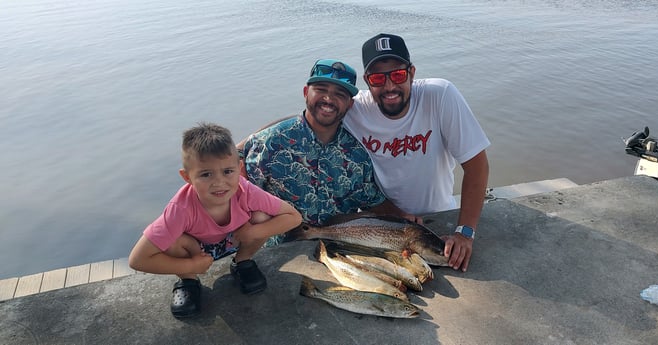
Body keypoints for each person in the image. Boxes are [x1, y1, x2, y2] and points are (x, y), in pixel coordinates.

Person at [344, 33, 491, 272]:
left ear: (412, 73)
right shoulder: (353, 109)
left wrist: (464, 232)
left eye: (398, 75)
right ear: (367, 81)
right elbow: (311, 120)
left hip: (437, 218)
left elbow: (477, 166)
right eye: (378, 78)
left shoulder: (441, 95)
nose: (389, 87)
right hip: (379, 226)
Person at [128, 122, 302, 318]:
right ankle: (189, 281)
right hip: (196, 250)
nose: (219, 182)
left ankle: (243, 261)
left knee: (262, 217)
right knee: (171, 240)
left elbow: (293, 217)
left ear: (239, 167)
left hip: (236, 239)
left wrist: (253, 232)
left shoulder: (245, 191)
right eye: (206, 174)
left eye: (228, 171)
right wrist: (191, 266)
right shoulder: (180, 208)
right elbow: (137, 259)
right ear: (187, 177)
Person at [238, 59, 411, 244]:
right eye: (321, 90)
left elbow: (372, 200)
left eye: (339, 94)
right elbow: (239, 190)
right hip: (280, 251)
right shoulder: (268, 143)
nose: (328, 99)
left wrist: (406, 220)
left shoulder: (358, 154)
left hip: (338, 250)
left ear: (350, 104)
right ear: (306, 92)